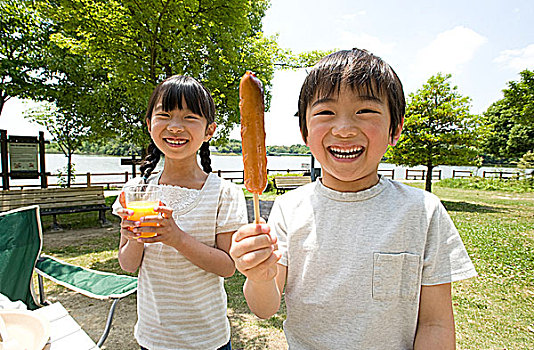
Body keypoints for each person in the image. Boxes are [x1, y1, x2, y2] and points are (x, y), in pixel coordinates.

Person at [229, 48, 477, 349]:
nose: (344, 129)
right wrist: (259, 275)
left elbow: (435, 323)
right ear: (304, 132)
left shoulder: (422, 211)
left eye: (365, 111)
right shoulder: (288, 208)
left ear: (394, 129)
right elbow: (264, 308)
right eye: (325, 112)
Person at [113, 75, 248, 350]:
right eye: (165, 115)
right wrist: (135, 236)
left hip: (208, 339)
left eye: (189, 117)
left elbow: (227, 266)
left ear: (209, 131)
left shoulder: (224, 193)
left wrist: (176, 238)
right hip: (153, 337)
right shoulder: (136, 191)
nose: (175, 127)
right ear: (150, 125)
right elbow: (128, 264)